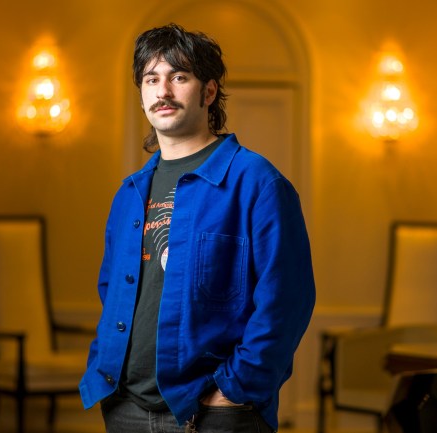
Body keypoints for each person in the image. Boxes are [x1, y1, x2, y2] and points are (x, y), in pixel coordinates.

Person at [79, 23, 315, 433]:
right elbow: (110, 291)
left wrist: (234, 390)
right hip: (125, 409)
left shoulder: (257, 183)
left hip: (215, 413)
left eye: (179, 77)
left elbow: (286, 301)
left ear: (208, 92)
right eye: (151, 79)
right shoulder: (129, 194)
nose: (163, 91)